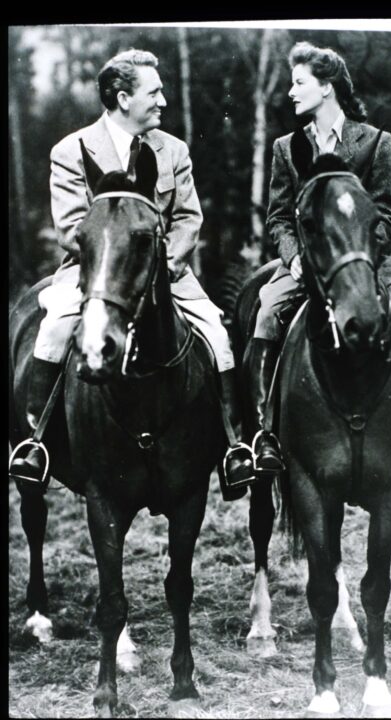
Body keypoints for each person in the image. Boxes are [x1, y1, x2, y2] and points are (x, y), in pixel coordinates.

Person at [10, 48, 252, 491]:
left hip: (166, 274)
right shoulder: (71, 151)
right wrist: (111, 264)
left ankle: (235, 446)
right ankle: (35, 442)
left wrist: (166, 265)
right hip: (93, 275)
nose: (163, 101)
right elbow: (69, 228)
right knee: (53, 329)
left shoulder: (173, 150)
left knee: (217, 333)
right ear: (123, 98)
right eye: (154, 92)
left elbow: (187, 218)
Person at [247, 41, 391, 478]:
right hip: (306, 264)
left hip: (367, 262)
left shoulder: (377, 141)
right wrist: (292, 261)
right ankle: (263, 434)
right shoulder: (287, 148)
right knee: (266, 313)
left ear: (327, 87)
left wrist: (360, 255)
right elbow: (278, 218)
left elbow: (385, 211)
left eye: (299, 82)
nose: (291, 92)